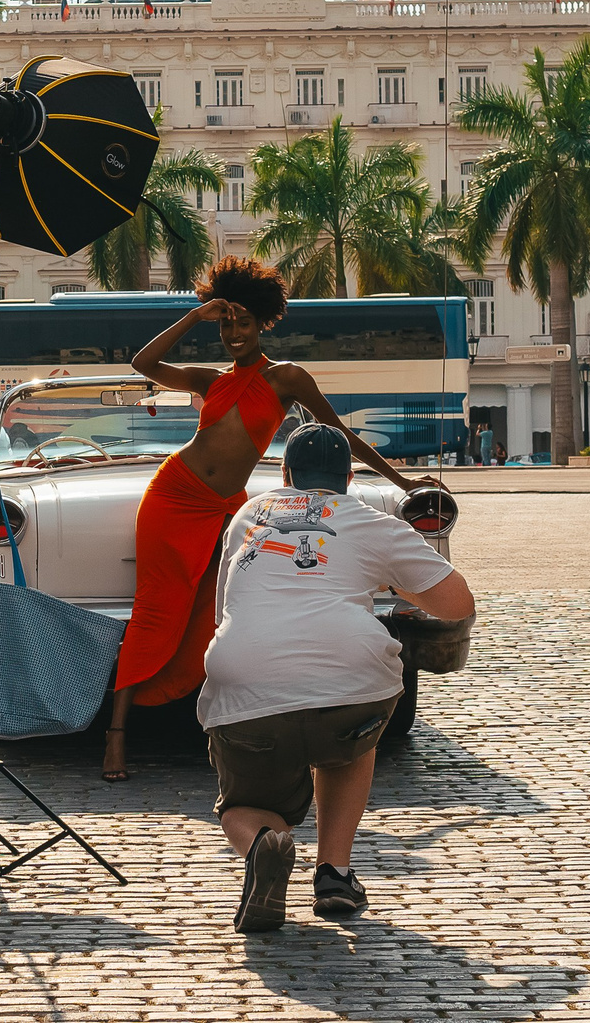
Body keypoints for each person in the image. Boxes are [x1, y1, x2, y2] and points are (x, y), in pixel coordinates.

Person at [106, 256, 435, 782]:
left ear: (264, 322)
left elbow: (339, 434)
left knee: (226, 607)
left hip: (226, 506)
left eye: (243, 322)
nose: (233, 333)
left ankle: (229, 719)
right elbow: (142, 364)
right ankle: (116, 739)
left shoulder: (287, 378)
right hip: (173, 496)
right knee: (157, 609)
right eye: (225, 323)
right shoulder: (209, 379)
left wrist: (401, 483)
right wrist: (196, 316)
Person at [200, 424, 475, 932]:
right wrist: (390, 581)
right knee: (351, 737)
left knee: (243, 805)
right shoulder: (371, 521)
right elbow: (457, 605)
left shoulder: (248, 515)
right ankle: (334, 873)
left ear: (284, 475)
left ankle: (266, 843)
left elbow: (226, 610)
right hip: (352, 680)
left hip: (246, 675)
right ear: (348, 478)